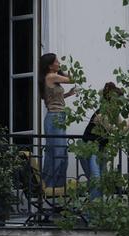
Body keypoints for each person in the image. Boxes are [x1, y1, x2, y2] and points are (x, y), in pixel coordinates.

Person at [81, 82, 129, 191]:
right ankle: (95, 207)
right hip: (89, 149)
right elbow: (118, 133)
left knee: (101, 182)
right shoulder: (101, 115)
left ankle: (98, 206)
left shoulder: (114, 113)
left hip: (101, 149)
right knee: (96, 181)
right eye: (118, 102)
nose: (120, 105)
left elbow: (123, 129)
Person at [41, 52, 78, 190]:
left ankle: (57, 186)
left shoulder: (52, 78)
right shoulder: (51, 76)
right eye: (56, 61)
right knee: (57, 153)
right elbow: (73, 78)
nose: (59, 63)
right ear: (50, 66)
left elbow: (55, 99)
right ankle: (51, 186)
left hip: (59, 116)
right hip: (55, 117)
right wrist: (69, 67)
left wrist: (68, 94)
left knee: (60, 153)